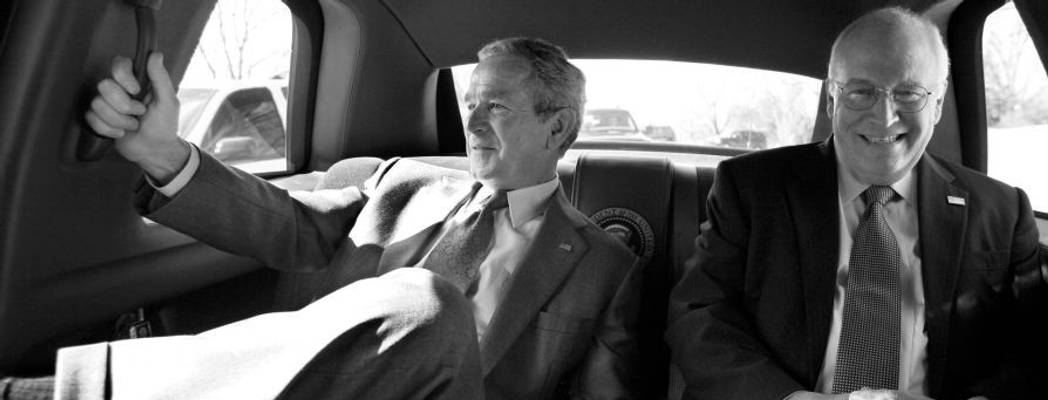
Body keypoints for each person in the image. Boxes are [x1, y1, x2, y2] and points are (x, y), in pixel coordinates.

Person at [5, 37, 641, 399]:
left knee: (427, 306)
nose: (471, 123)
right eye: (470, 102)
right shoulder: (400, 184)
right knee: (421, 303)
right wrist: (163, 154)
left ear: (557, 124)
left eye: (496, 106)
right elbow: (283, 222)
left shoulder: (604, 266)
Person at [666, 7, 1048, 400]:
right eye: (861, 91)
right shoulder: (751, 189)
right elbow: (699, 313)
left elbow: (1034, 350)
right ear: (832, 99)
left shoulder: (1002, 211)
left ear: (937, 104)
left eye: (908, 92)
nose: (885, 116)